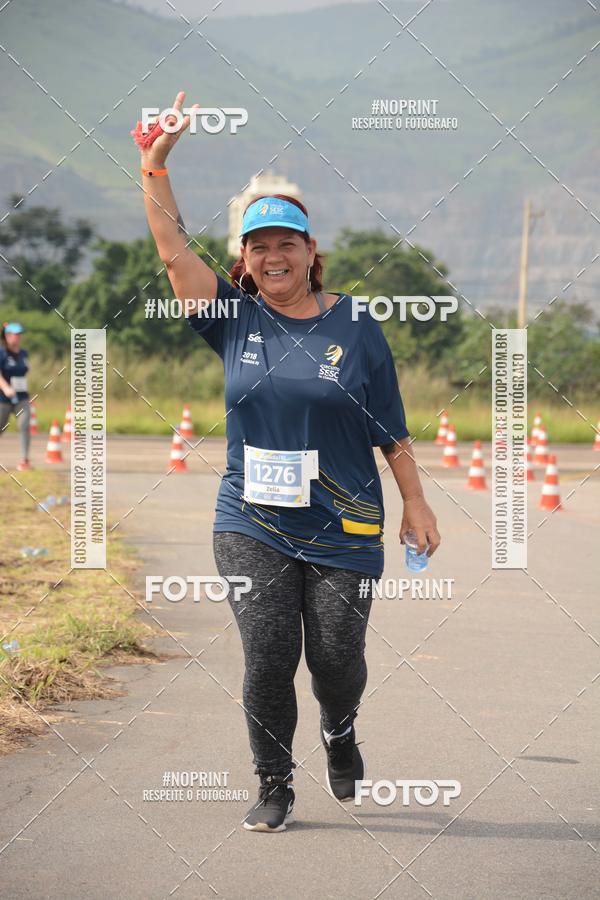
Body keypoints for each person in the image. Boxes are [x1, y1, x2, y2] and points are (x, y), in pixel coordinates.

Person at [136, 92, 440, 833]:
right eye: (258, 246)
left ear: (311, 254)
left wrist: (417, 504)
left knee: (335, 663)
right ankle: (274, 782)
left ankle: (340, 730)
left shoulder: (358, 325)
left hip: (345, 521)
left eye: (287, 244)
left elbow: (391, 429)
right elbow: (173, 250)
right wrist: (154, 164)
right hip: (252, 520)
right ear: (244, 259)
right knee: (268, 659)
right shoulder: (230, 320)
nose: (273, 257)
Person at [0, 322, 33, 471]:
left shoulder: (23, 353)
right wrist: (5, 387)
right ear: (7, 336)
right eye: (14, 334)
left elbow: (25, 370)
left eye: (19, 334)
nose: (17, 337)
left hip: (21, 397)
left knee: (25, 425)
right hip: (3, 398)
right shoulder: (1, 352)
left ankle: (25, 460)